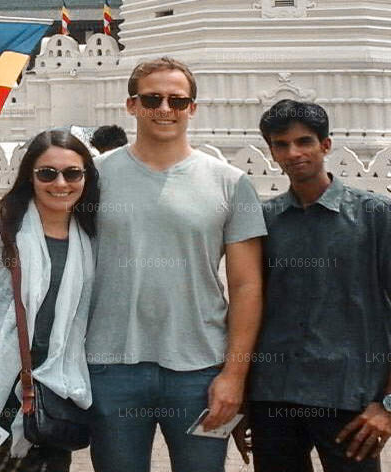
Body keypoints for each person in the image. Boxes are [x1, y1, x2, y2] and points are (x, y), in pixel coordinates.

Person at [87, 57, 266, 472]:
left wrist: (234, 376)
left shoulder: (229, 182)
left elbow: (246, 287)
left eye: (177, 100)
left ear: (192, 108)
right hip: (109, 365)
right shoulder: (92, 177)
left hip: (201, 371)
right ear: (131, 105)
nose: (165, 109)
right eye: (152, 99)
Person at [246, 100, 391, 472]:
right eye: (282, 145)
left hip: (350, 398)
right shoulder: (265, 220)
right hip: (274, 396)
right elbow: (249, 309)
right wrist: (242, 401)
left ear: (326, 145)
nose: (294, 153)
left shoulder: (375, 215)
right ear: (271, 152)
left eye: (304, 141)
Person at [0, 129, 99, 471]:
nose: (60, 183)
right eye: (47, 173)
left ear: (86, 176)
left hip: (53, 398)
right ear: (30, 176)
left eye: (72, 173)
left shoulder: (90, 238)